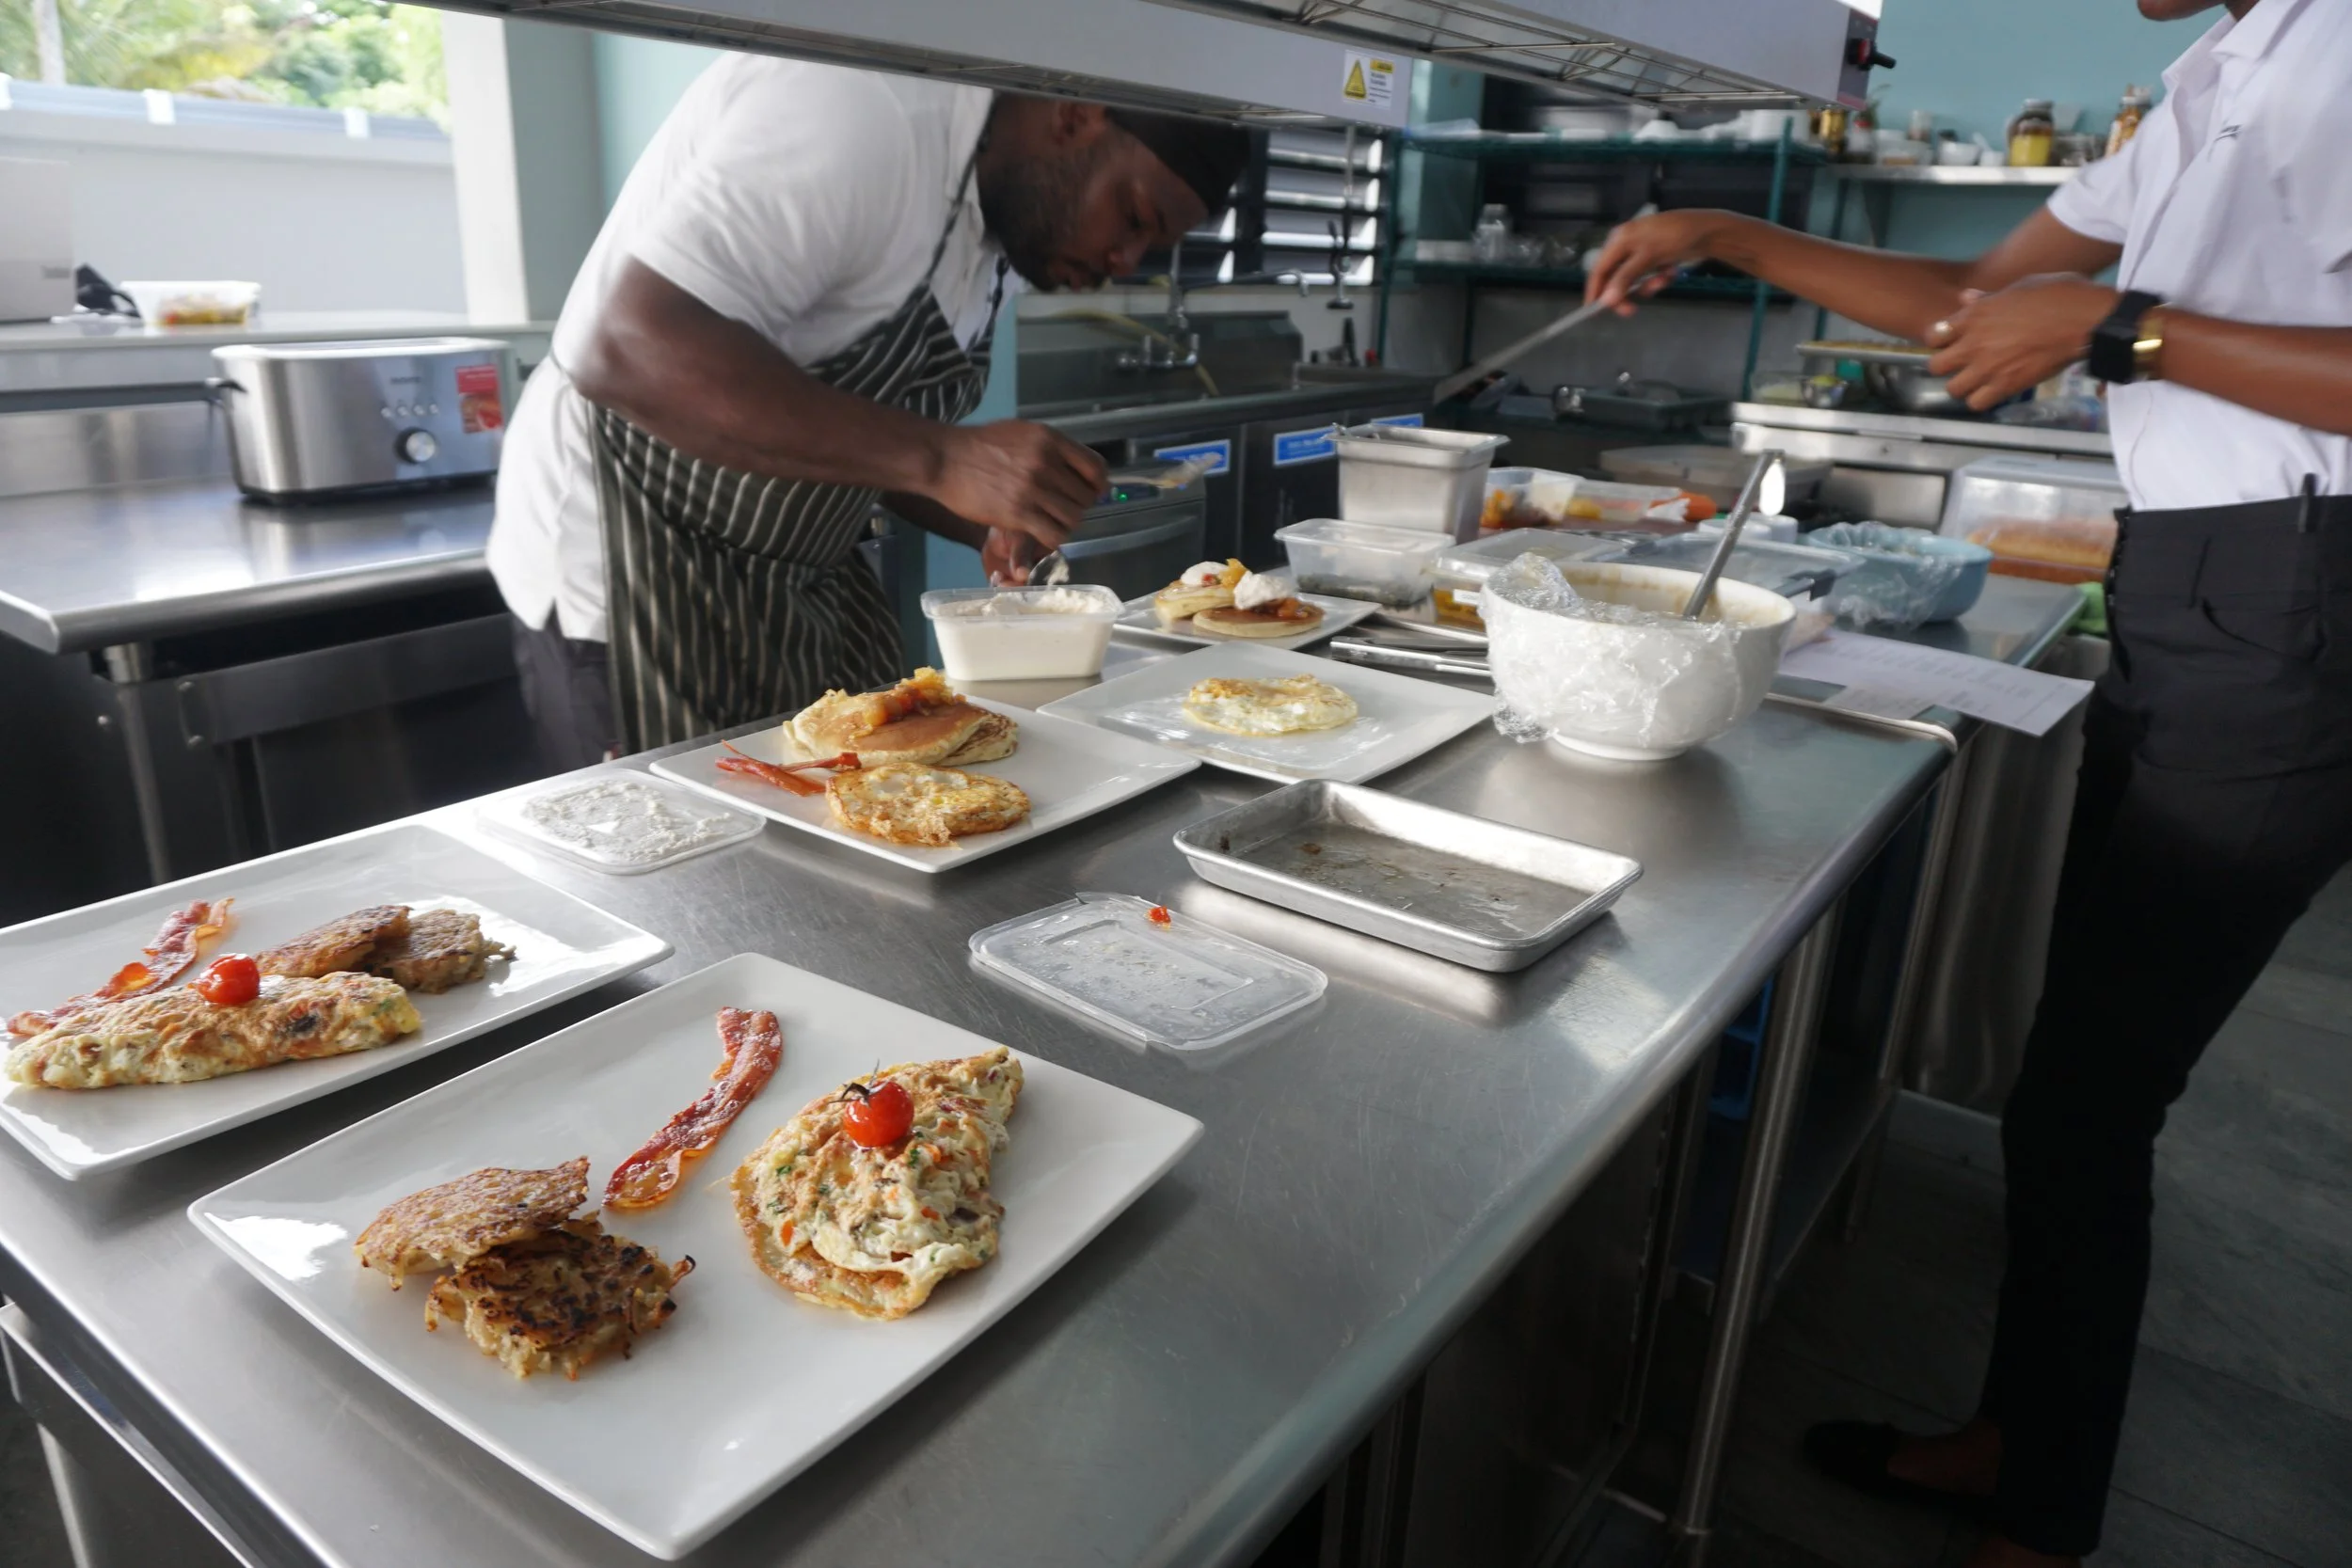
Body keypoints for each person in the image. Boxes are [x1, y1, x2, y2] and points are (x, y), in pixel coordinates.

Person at [1585, 2, 2351, 1563]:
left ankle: (2046, 1517)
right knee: (2070, 1085)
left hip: (2294, 608)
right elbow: (1971, 297)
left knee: (2092, 1092)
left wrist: (2121, 332)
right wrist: (1727, 229)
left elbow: (2096, 322)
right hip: (2198, 587)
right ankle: (2027, 1440)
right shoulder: (2222, 72)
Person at [488, 55, 1249, 762]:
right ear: (1076, 115)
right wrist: (947, 459)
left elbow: (839, 415)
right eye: (1135, 217)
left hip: (792, 583)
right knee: (687, 877)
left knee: (843, 828)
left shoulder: (1002, 218)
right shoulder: (863, 112)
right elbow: (624, 345)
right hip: (636, 575)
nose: (1125, 262)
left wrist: (982, 506)